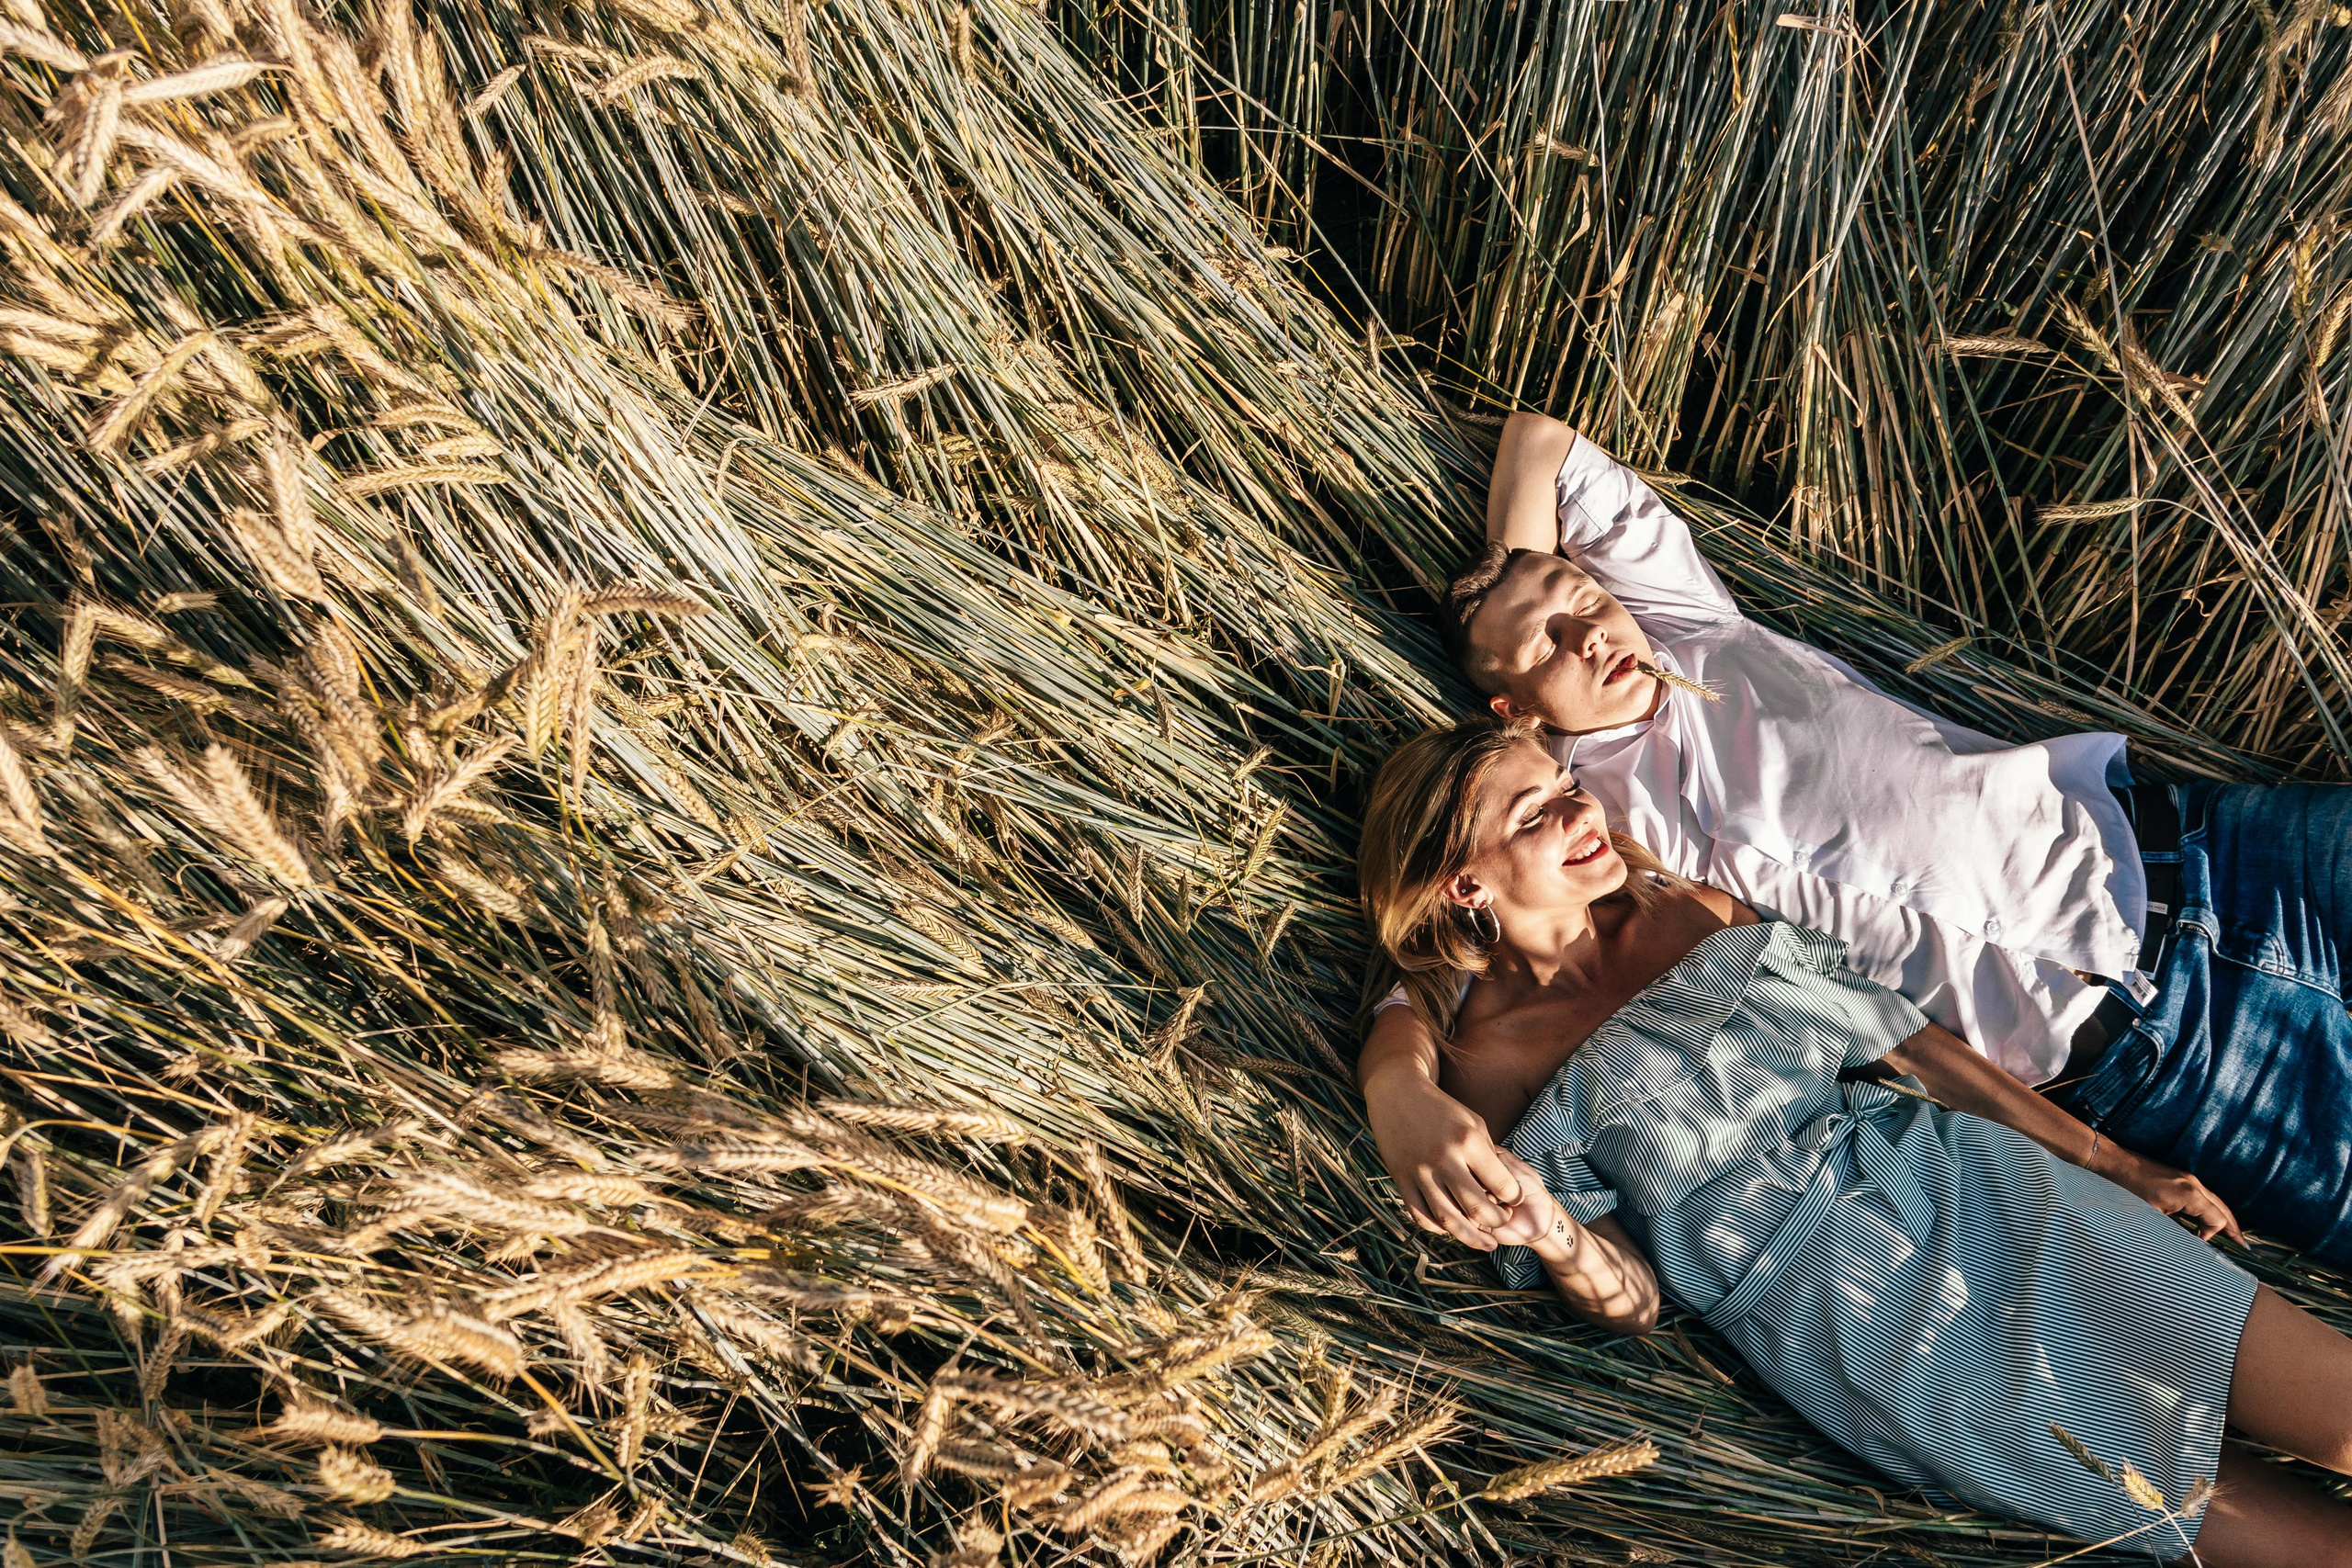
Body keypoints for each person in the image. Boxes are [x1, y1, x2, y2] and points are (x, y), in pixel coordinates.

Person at [1360, 412, 2352, 1269]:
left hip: (2208, 854)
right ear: (1506, 710)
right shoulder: (1594, 831)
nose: (1588, 638)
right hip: (2151, 1056)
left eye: (1586, 604)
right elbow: (1442, 950)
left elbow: (1540, 444)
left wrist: (1524, 580)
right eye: (1546, 647)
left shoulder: (1686, 627)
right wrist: (1394, 1088)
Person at [1358, 718, 2352, 1564]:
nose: (1582, 811)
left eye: (1566, 786)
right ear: (1464, 887)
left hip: (1981, 1191)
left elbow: (1907, 1045)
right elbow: (1634, 1305)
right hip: (1859, 1333)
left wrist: (2107, 1161)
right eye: (1535, 816)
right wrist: (1554, 1237)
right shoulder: (1488, 1071)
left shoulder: (1689, 911)